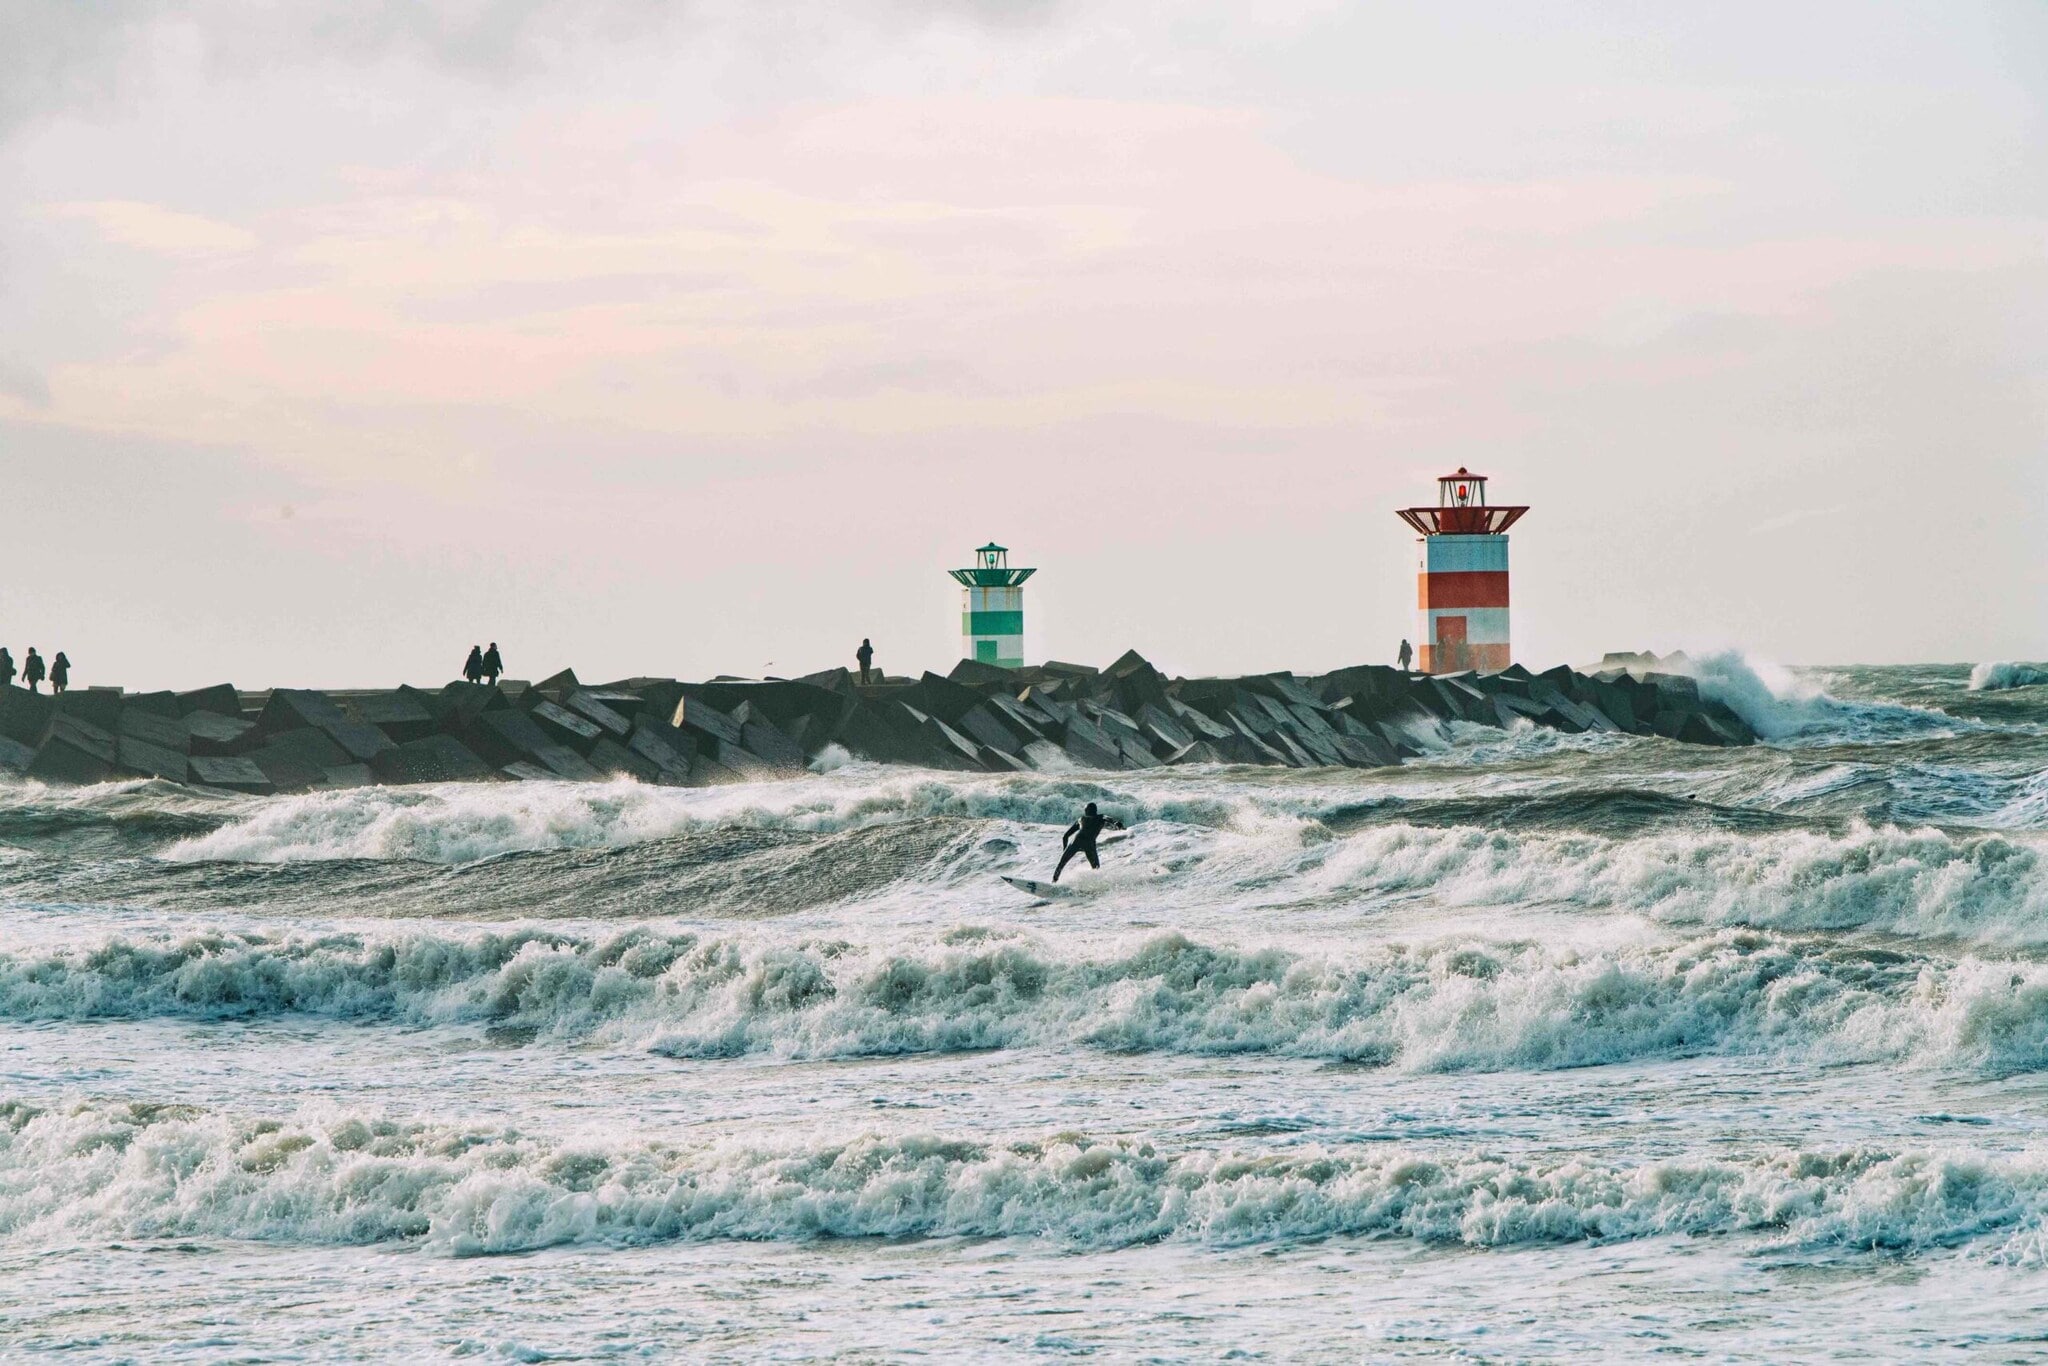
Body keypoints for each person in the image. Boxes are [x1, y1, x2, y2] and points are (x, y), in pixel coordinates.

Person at [1052, 801, 1125, 883]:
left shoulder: (1082, 819)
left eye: (1086, 810)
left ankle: (1054, 882)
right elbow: (1109, 819)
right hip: (1089, 844)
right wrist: (1115, 822)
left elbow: (1065, 836)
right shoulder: (1100, 817)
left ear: (1088, 810)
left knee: (1061, 864)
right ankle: (1096, 884)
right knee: (1096, 868)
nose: (1086, 811)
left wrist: (1065, 850)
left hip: (1076, 842)